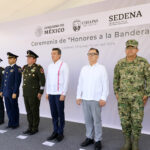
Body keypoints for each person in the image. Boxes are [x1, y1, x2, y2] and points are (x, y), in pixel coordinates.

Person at [113, 39, 150, 150]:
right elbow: (116, 79)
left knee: (137, 121)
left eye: (132, 48)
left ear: (137, 49)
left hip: (138, 98)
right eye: (128, 48)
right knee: (125, 121)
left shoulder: (143, 62)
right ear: (125, 50)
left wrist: (147, 94)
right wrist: (116, 92)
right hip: (123, 98)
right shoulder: (120, 63)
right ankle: (127, 142)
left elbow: (148, 79)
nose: (130, 50)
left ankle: (135, 143)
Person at [76, 48, 109, 150]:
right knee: (88, 120)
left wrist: (103, 98)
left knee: (97, 121)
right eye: (89, 54)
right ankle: (89, 137)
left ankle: (98, 139)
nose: (90, 56)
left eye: (93, 54)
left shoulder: (102, 68)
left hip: (96, 99)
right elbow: (80, 83)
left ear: (97, 56)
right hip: (85, 98)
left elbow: (105, 84)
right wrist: (78, 96)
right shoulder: (84, 68)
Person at [46, 48, 69, 142]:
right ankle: (55, 131)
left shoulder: (64, 65)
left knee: (60, 113)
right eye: (51, 54)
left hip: (59, 93)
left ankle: (60, 132)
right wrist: (47, 92)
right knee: (54, 114)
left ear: (59, 55)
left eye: (54, 54)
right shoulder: (50, 65)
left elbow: (66, 80)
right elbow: (48, 79)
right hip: (51, 93)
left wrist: (64, 93)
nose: (52, 55)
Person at [22, 50, 45, 135]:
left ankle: (35, 128)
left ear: (34, 59)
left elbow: (42, 81)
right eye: (27, 57)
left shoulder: (38, 68)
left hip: (34, 94)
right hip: (26, 93)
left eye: (30, 58)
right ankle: (30, 127)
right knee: (28, 111)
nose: (28, 59)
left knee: (34, 111)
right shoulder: (24, 67)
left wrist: (40, 92)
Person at [0, 52, 22, 129]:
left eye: (10, 58)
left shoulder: (17, 69)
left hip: (12, 92)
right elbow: (3, 81)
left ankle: (15, 123)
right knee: (8, 108)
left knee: (14, 107)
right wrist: (1, 90)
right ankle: (10, 122)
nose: (9, 60)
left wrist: (15, 92)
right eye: (8, 58)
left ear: (15, 59)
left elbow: (17, 82)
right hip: (6, 92)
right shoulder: (7, 68)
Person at [0, 58, 5, 125]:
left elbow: (3, 82)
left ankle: (1, 119)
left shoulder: (2, 70)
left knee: (0, 105)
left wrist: (1, 91)